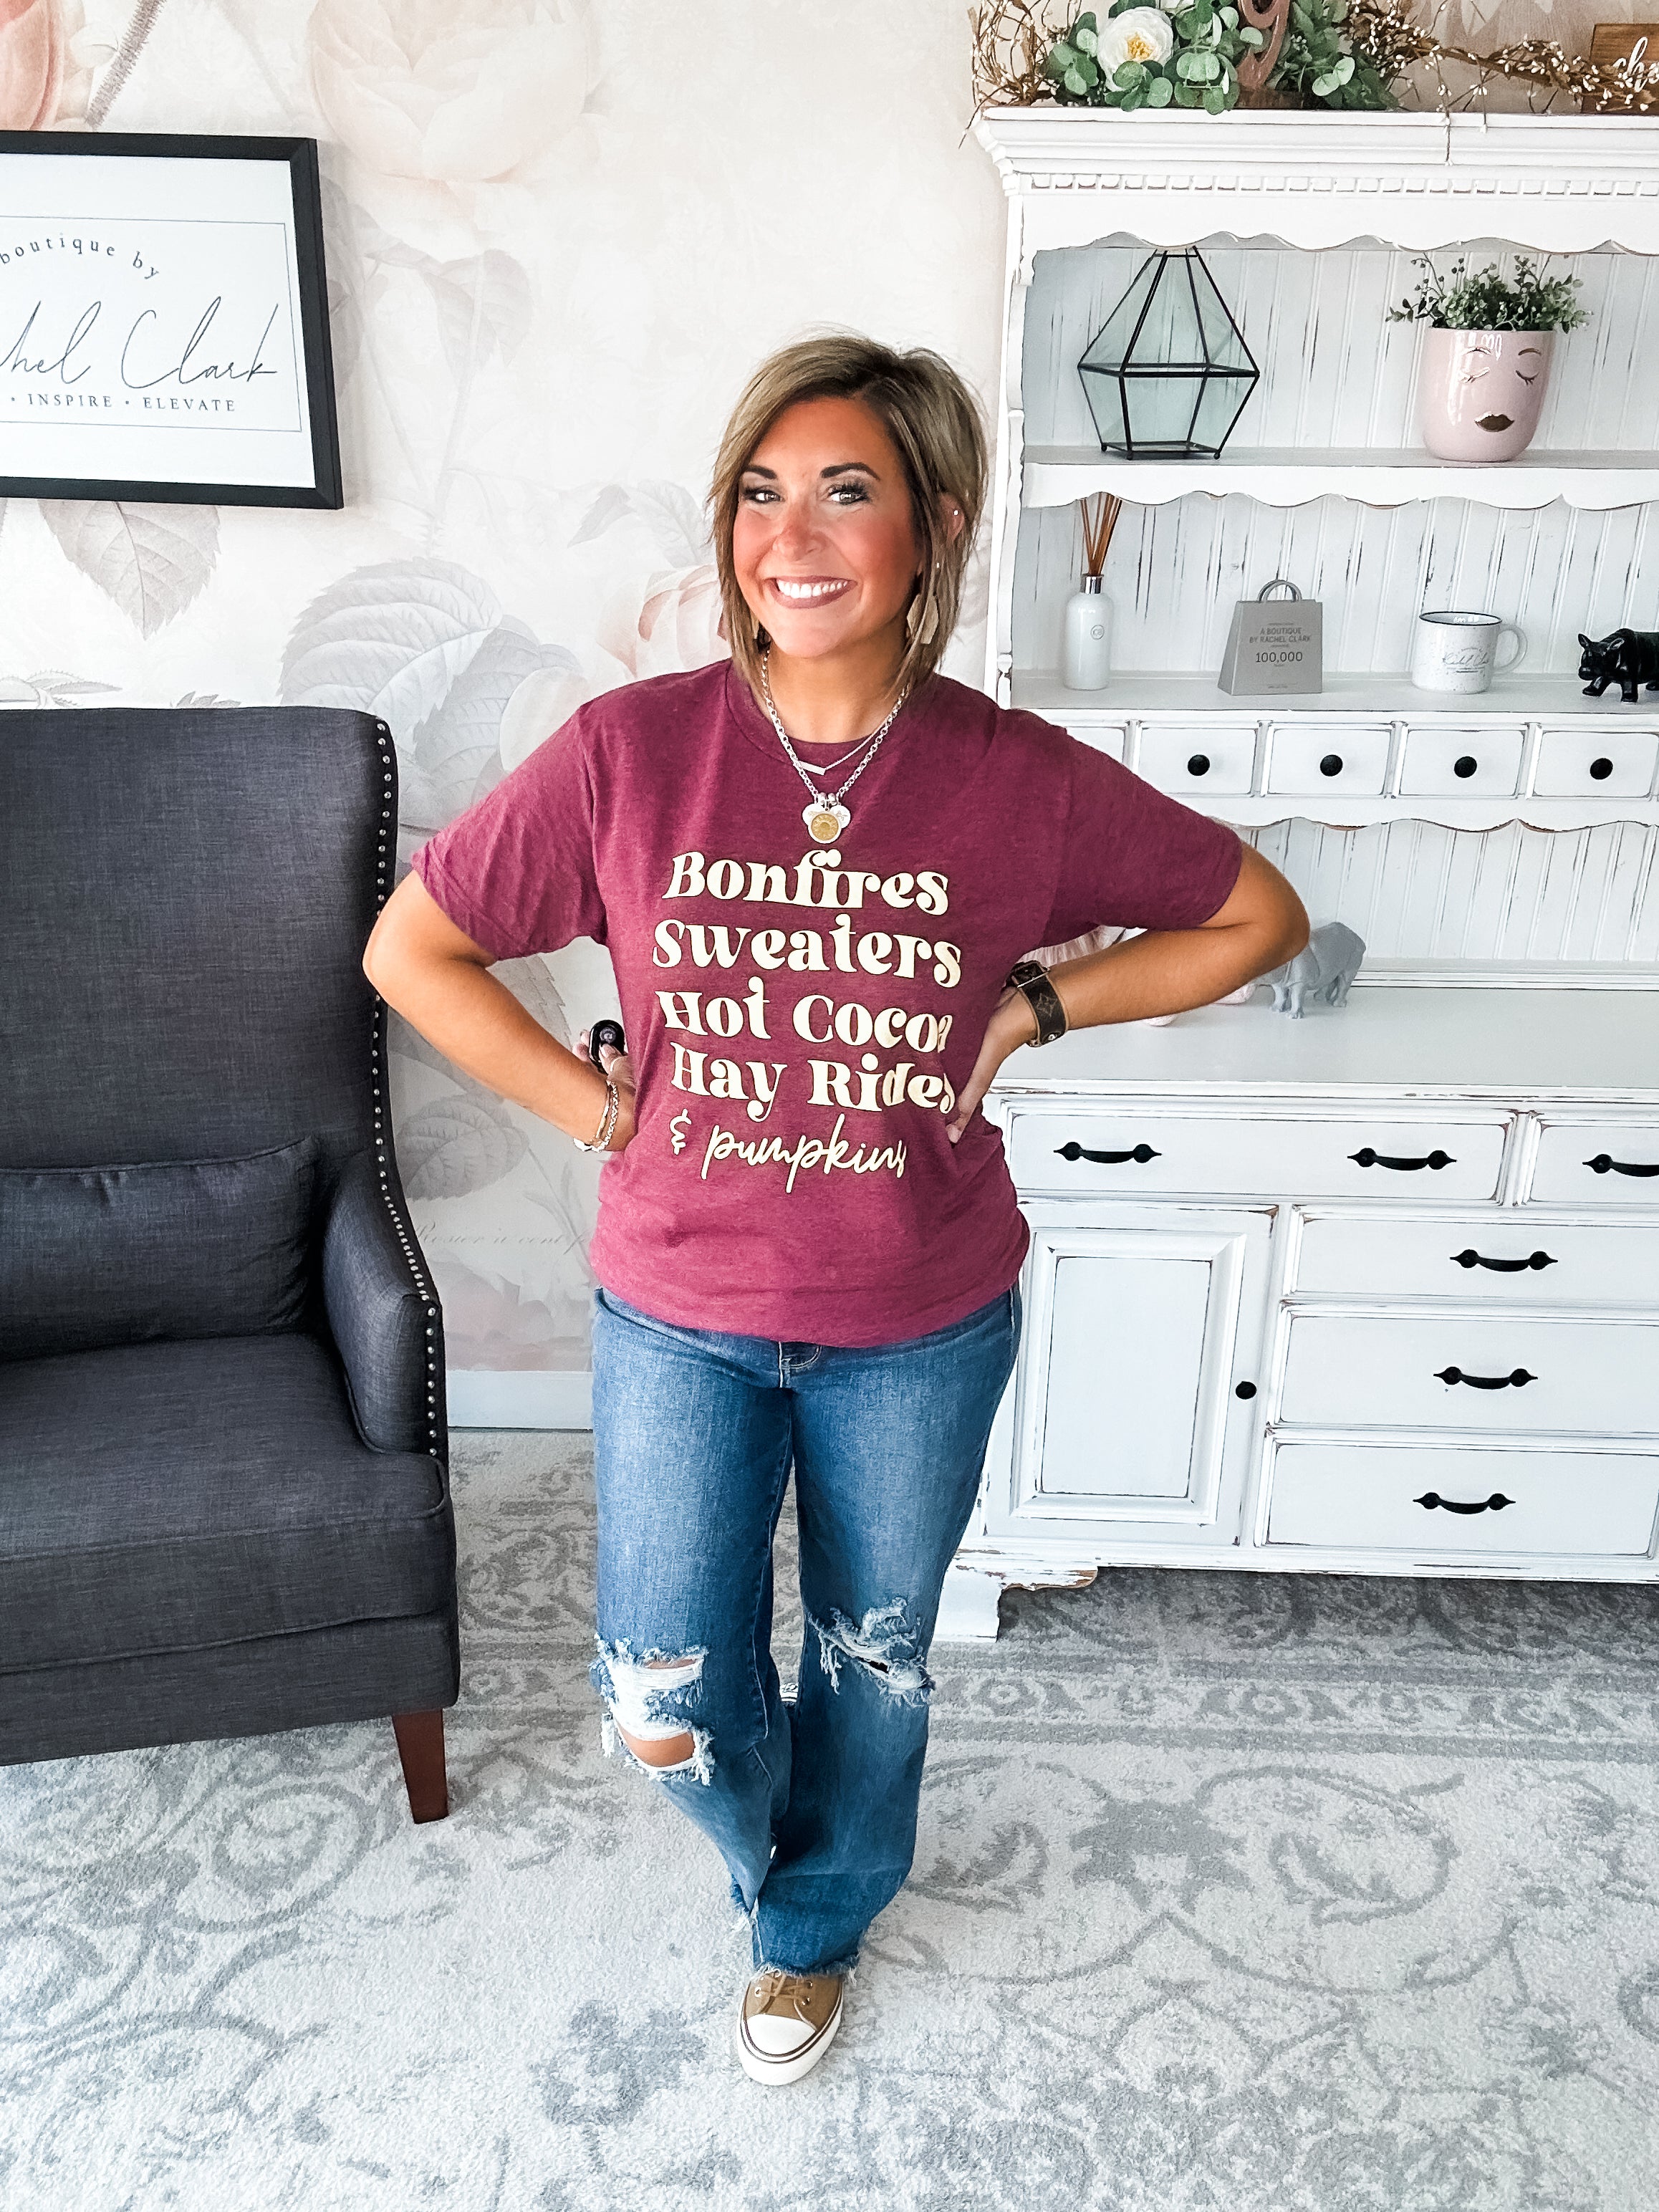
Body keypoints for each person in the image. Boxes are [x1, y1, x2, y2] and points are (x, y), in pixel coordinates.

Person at [363, 335, 1308, 2086]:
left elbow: (1259, 915)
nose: (791, 532)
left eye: (847, 489)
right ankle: (771, 1844)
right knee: (660, 1691)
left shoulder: (1015, 776)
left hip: (921, 1311)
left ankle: (808, 1924)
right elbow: (411, 946)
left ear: (933, 527)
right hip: (678, 1303)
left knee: (875, 1649)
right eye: (760, 490)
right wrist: (593, 1104)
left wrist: (1038, 1006)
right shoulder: (629, 753)